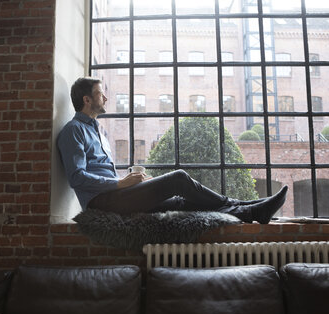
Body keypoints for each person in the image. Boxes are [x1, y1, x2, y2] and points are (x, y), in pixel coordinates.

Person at [57, 77, 287, 224]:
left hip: (115, 195)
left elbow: (101, 175)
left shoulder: (98, 131)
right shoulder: (73, 131)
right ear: (87, 99)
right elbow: (77, 178)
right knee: (178, 178)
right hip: (101, 202)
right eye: (100, 93)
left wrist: (130, 182)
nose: (105, 97)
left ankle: (250, 211)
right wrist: (119, 184)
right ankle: (245, 206)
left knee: (179, 201)